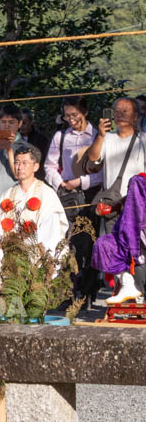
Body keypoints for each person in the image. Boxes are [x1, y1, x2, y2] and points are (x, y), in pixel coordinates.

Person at [0, 146, 68, 317]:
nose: (19, 167)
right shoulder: (8, 194)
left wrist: (28, 247)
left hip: (37, 248)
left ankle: (28, 306)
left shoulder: (47, 194)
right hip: (7, 247)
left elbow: (52, 232)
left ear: (35, 166)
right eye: (17, 163)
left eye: (24, 163)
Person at [83, 96, 146, 300]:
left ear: (136, 116)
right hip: (112, 206)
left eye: (125, 111)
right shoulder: (108, 139)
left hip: (137, 207)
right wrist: (100, 135)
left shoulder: (143, 140)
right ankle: (126, 288)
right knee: (114, 247)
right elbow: (93, 160)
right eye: (116, 111)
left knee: (138, 251)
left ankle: (139, 293)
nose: (120, 115)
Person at [44, 96, 102, 305]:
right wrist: (60, 182)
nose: (71, 120)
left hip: (89, 193)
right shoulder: (61, 137)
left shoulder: (97, 136)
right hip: (65, 194)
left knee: (87, 243)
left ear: (85, 113)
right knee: (65, 243)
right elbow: (49, 164)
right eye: (67, 116)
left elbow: (103, 171)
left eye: (75, 115)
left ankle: (87, 291)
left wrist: (82, 181)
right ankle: (67, 292)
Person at [20, 108, 50, 180]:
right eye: (19, 123)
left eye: (24, 123)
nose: (21, 126)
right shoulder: (14, 138)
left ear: (31, 122)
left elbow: (45, 161)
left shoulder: (41, 139)